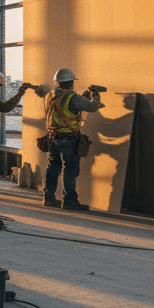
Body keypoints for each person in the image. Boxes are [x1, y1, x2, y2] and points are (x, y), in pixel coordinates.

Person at [43, 67, 104, 210]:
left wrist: (83, 97)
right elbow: (93, 107)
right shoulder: (73, 97)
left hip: (52, 137)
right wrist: (96, 95)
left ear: (57, 82)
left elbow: (65, 110)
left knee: (53, 167)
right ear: (71, 82)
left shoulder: (50, 95)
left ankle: (48, 198)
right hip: (68, 139)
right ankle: (69, 201)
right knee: (70, 169)